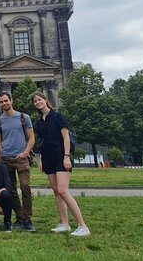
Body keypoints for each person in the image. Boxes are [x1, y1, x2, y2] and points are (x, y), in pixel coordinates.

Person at [32, 91, 91, 236]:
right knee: (56, 191)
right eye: (35, 101)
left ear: (45, 100)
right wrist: (40, 160)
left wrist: (66, 156)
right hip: (48, 157)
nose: (38, 102)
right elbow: (41, 142)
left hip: (60, 155)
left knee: (63, 191)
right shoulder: (40, 121)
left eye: (39, 99)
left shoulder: (58, 116)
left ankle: (82, 225)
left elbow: (66, 137)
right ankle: (65, 224)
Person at [0, 91, 36, 231]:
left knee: (25, 187)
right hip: (6, 158)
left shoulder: (24, 117)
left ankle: (27, 218)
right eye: (1, 102)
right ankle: (19, 217)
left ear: (11, 100)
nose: (4, 103)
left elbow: (31, 138)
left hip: (21, 158)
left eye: (6, 100)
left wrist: (25, 152)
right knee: (11, 190)